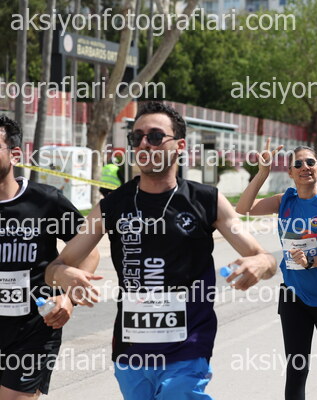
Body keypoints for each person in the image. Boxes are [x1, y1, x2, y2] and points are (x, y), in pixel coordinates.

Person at [44, 102, 277, 400]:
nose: (144, 143)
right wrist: (63, 276)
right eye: (137, 137)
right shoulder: (112, 206)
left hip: (188, 345)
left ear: (180, 145)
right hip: (130, 349)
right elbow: (54, 269)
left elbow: (265, 258)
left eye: (155, 136)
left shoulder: (206, 200)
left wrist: (260, 264)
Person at [236, 143, 317, 400]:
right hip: (293, 296)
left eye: (310, 162)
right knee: (296, 368)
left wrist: (312, 261)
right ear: (290, 172)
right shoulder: (284, 200)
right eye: (297, 164)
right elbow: (243, 209)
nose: (304, 167)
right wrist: (263, 173)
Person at [0, 115, 99, 399]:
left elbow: (89, 252)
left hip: (34, 329)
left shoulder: (45, 201)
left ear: (15, 154)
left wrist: (68, 298)